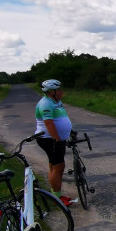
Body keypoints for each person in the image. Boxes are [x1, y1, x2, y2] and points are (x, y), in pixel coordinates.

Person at [34, 79, 76, 207]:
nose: (61, 92)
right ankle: (56, 198)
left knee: (54, 166)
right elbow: (49, 124)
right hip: (49, 139)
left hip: (54, 139)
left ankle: (55, 195)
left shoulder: (56, 101)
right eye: (58, 90)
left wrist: (69, 130)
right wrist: (57, 139)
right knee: (58, 167)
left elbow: (61, 118)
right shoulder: (45, 104)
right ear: (51, 92)